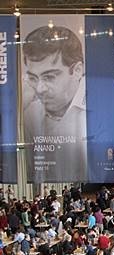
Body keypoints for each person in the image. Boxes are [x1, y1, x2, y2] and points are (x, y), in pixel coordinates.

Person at [22, 25, 87, 182]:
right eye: (33, 78)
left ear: (77, 70)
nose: (39, 88)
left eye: (49, 77)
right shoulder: (29, 112)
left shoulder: (101, 110)